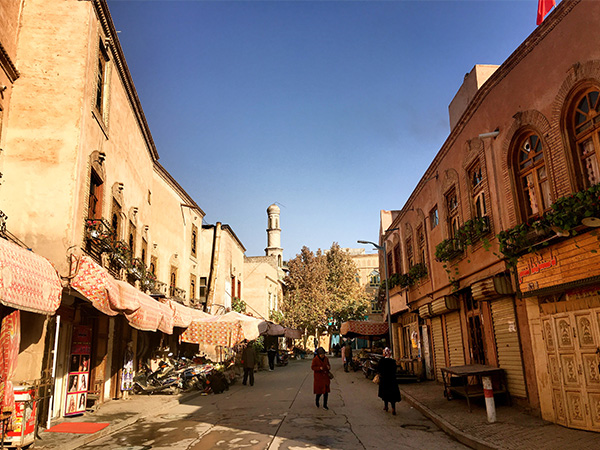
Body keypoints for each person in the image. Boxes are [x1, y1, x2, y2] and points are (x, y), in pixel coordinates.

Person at [377, 347, 401, 415]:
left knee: (385, 394)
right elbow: (395, 370)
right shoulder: (393, 361)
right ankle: (393, 408)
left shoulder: (382, 361)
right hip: (392, 380)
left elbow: (379, 369)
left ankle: (386, 406)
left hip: (384, 380)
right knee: (392, 395)